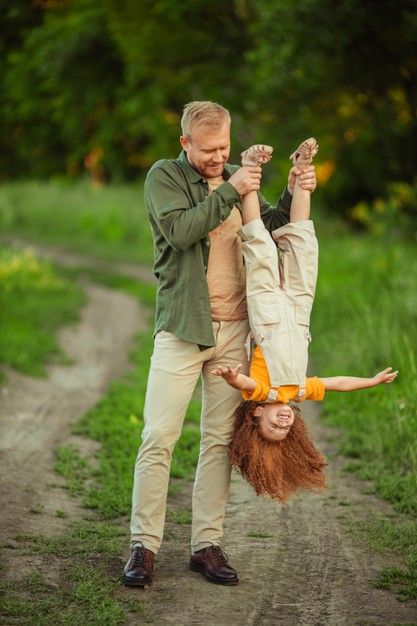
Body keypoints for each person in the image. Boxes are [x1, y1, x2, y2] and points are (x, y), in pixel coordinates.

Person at [122, 101, 318, 588]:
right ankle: (143, 547)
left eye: (225, 148)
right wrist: (232, 187)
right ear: (185, 143)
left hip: (236, 333)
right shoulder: (163, 178)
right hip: (184, 328)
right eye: (208, 150)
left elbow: (266, 231)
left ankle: (206, 545)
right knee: (158, 439)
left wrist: (293, 189)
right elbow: (181, 231)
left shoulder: (235, 175)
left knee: (217, 443)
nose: (218, 157)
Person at [212, 140, 398, 502]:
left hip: (267, 316)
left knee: (259, 244)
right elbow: (337, 383)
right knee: (303, 244)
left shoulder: (261, 395)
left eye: (273, 428)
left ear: (256, 418)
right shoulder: (297, 391)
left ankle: (249, 168)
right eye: (287, 429)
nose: (283, 423)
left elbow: (244, 380)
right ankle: (300, 169)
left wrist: (232, 377)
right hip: (298, 313)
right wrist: (372, 381)